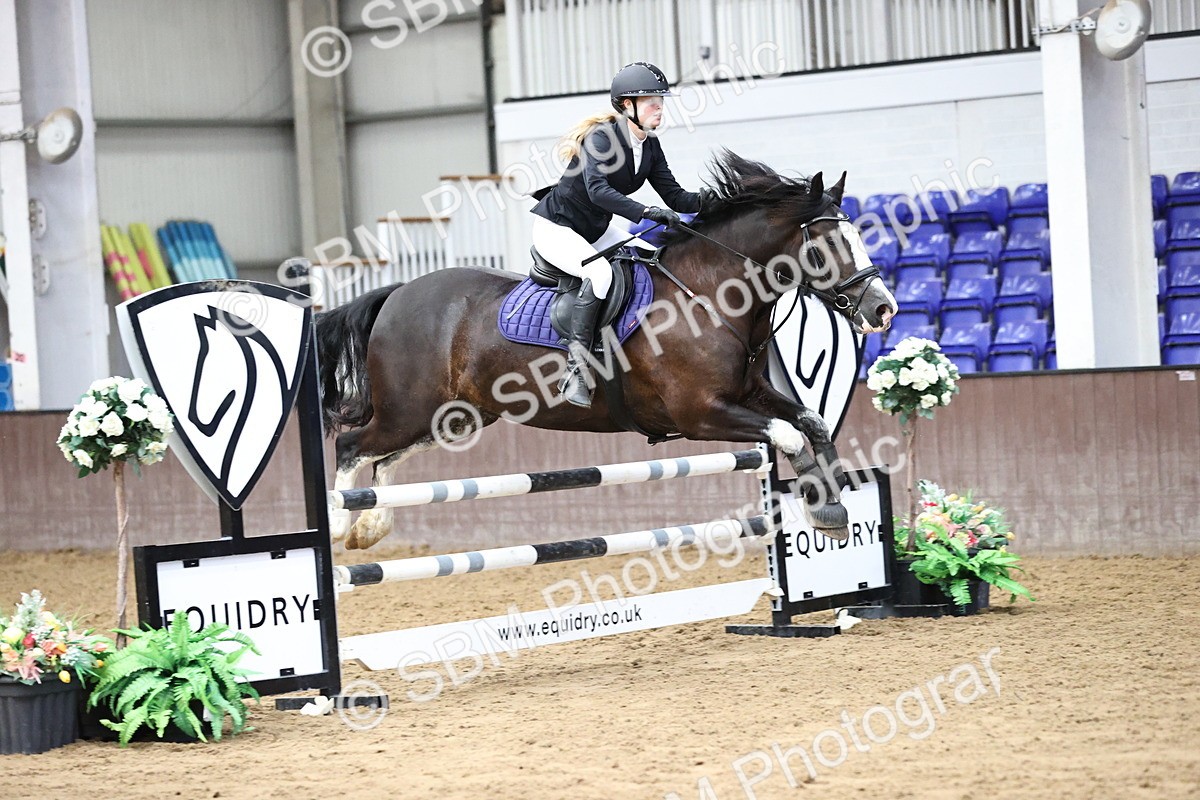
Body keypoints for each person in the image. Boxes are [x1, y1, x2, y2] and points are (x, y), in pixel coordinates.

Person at [531, 61, 709, 409]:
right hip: (556, 228)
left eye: (661, 99)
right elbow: (597, 191)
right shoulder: (603, 138)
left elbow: (675, 196)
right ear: (626, 105)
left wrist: (716, 200)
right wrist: (644, 212)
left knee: (652, 258)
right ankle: (577, 368)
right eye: (650, 100)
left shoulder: (651, 147)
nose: (659, 106)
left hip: (593, 230)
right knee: (599, 273)